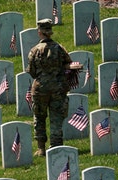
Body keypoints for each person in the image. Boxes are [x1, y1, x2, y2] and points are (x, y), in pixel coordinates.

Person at [26, 18, 72, 157]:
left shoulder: (34, 51)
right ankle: (56, 146)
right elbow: (68, 64)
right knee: (57, 116)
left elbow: (32, 71)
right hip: (58, 87)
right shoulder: (59, 48)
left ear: (40, 32)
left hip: (41, 89)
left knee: (39, 117)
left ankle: (41, 148)